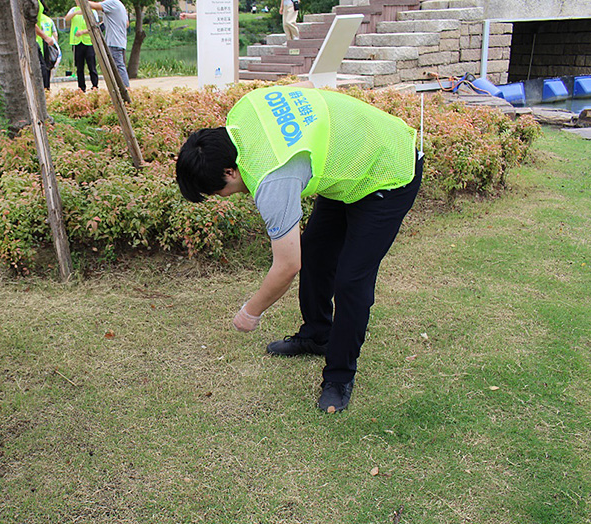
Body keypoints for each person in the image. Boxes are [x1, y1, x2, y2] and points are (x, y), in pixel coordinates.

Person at [176, 87, 423, 413]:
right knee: (317, 253)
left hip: (388, 169)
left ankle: (338, 377)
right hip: (349, 161)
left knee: (351, 280)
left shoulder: (272, 178)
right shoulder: (242, 114)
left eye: (217, 192)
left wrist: (250, 312)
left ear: (229, 171)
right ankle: (318, 334)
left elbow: (287, 265)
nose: (223, 197)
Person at [72, 0, 129, 88]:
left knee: (118, 68)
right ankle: (123, 90)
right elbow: (127, 24)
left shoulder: (112, 2)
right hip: (120, 41)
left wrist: (80, 1)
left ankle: (125, 89)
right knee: (119, 67)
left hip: (114, 42)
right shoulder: (120, 5)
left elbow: (94, 5)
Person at [64, 5, 99, 91]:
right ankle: (81, 87)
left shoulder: (92, 10)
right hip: (77, 42)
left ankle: (95, 85)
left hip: (88, 42)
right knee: (79, 66)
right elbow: (66, 19)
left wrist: (83, 32)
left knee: (91, 65)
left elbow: (96, 26)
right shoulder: (73, 9)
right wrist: (75, 13)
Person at [34, 3, 57, 91]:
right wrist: (46, 37)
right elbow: (31, 23)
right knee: (42, 68)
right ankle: (43, 91)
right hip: (34, 40)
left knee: (44, 67)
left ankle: (45, 91)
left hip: (37, 40)